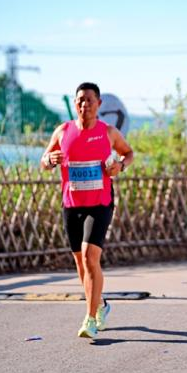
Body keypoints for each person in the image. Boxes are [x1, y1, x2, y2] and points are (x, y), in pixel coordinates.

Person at [41, 82, 134, 338]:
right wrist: (49, 160)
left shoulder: (109, 132)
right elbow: (44, 160)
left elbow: (128, 153)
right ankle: (101, 304)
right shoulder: (63, 132)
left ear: (99, 104)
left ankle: (91, 318)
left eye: (90, 100)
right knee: (81, 265)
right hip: (72, 204)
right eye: (80, 100)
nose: (85, 105)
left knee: (90, 256)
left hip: (100, 202)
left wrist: (120, 167)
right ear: (75, 104)